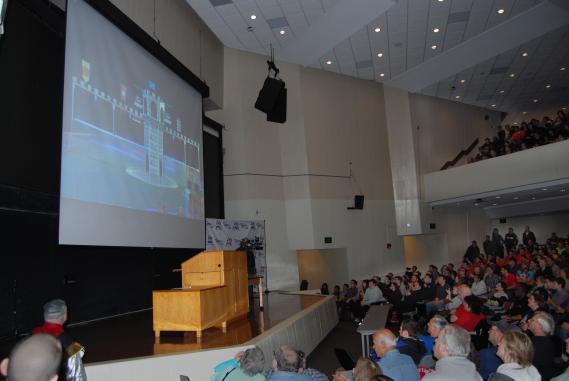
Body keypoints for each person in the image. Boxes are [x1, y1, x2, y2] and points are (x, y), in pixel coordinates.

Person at [528, 311, 561, 381]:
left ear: (540, 326)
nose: (529, 320)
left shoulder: (534, 344)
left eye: (532, 320)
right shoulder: (548, 340)